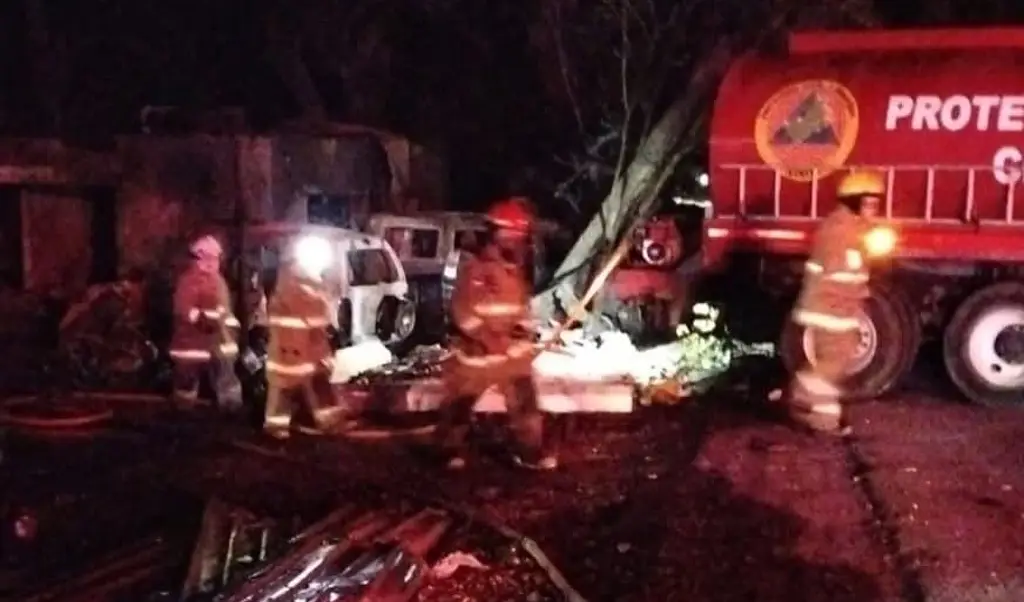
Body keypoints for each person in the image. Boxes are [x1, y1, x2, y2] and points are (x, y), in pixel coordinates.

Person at [435, 196, 556, 470]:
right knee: (459, 408)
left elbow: (517, 310)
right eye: (514, 235)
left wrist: (525, 333)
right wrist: (490, 339)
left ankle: (529, 453)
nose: (519, 242)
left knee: (526, 407)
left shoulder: (514, 271)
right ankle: (447, 452)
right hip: (476, 356)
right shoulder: (477, 269)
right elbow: (462, 311)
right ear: (498, 234)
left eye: (521, 236)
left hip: (511, 358)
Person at [785, 170, 884, 434]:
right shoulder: (842, 232)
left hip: (836, 310)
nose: (874, 210)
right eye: (869, 204)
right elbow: (843, 274)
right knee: (833, 365)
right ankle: (813, 407)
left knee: (838, 361)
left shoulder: (849, 228)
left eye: (876, 204)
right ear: (854, 203)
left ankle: (813, 409)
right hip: (830, 311)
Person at [263, 235, 341, 439]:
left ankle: (324, 422)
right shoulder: (297, 286)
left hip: (301, 352)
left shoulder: (303, 283)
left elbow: (317, 325)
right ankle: (277, 429)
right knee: (286, 390)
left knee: (306, 387)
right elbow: (309, 323)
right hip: (292, 353)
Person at [168, 234, 243, 411]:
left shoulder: (219, 282)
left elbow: (225, 311)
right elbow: (184, 309)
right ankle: (182, 411)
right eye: (207, 257)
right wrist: (203, 320)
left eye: (215, 258)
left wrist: (232, 330)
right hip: (192, 343)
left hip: (219, 342)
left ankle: (231, 408)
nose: (212, 262)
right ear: (197, 258)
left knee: (225, 377)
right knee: (186, 380)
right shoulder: (189, 281)